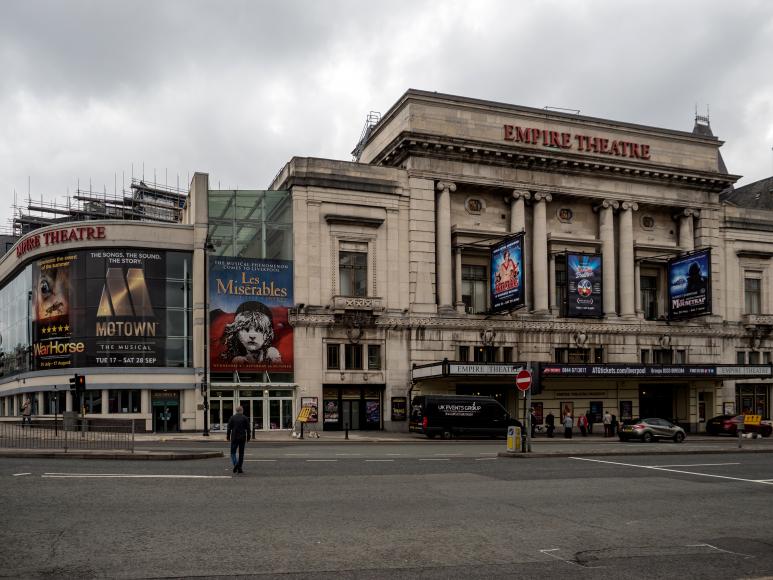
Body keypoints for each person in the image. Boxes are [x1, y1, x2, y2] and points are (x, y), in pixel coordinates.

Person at [220, 301, 282, 365]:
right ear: (237, 332)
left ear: (268, 334)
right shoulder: (232, 355)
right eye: (246, 329)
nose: (252, 335)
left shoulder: (271, 354)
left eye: (259, 330)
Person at [227, 405, 251, 474]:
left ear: (236, 411)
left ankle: (236, 464)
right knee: (241, 453)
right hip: (242, 437)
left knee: (233, 453)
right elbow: (248, 429)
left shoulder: (232, 418)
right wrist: (248, 437)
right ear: (241, 410)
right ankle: (240, 468)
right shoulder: (245, 418)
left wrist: (228, 436)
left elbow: (229, 428)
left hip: (234, 437)